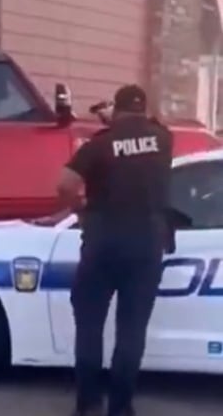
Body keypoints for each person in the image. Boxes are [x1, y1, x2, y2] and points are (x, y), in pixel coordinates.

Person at [55, 85, 174, 416]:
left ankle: (89, 404)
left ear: (116, 110)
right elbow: (152, 128)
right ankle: (121, 408)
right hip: (146, 244)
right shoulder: (164, 140)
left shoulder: (100, 144)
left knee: (90, 325)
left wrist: (80, 211)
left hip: (103, 243)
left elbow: (64, 183)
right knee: (132, 330)